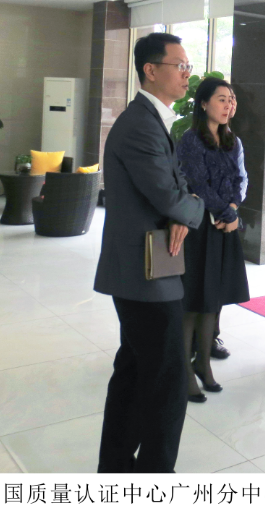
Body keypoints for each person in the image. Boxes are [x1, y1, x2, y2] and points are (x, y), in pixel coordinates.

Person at [95, 32, 205, 473]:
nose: (187, 74)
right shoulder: (141, 124)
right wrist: (194, 209)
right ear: (151, 70)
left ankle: (115, 467)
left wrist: (182, 209)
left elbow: (176, 188)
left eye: (188, 66)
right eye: (180, 65)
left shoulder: (152, 119)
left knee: (135, 372)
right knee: (168, 383)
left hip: (148, 268)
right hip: (145, 275)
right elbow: (168, 195)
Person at [177, 77, 250, 397]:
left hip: (224, 226)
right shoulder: (191, 140)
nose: (228, 104)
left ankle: (203, 363)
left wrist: (232, 209)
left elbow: (240, 180)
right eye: (222, 99)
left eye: (231, 99)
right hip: (199, 228)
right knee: (193, 301)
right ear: (204, 103)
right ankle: (184, 371)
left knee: (212, 300)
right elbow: (197, 184)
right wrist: (227, 213)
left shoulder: (233, 141)